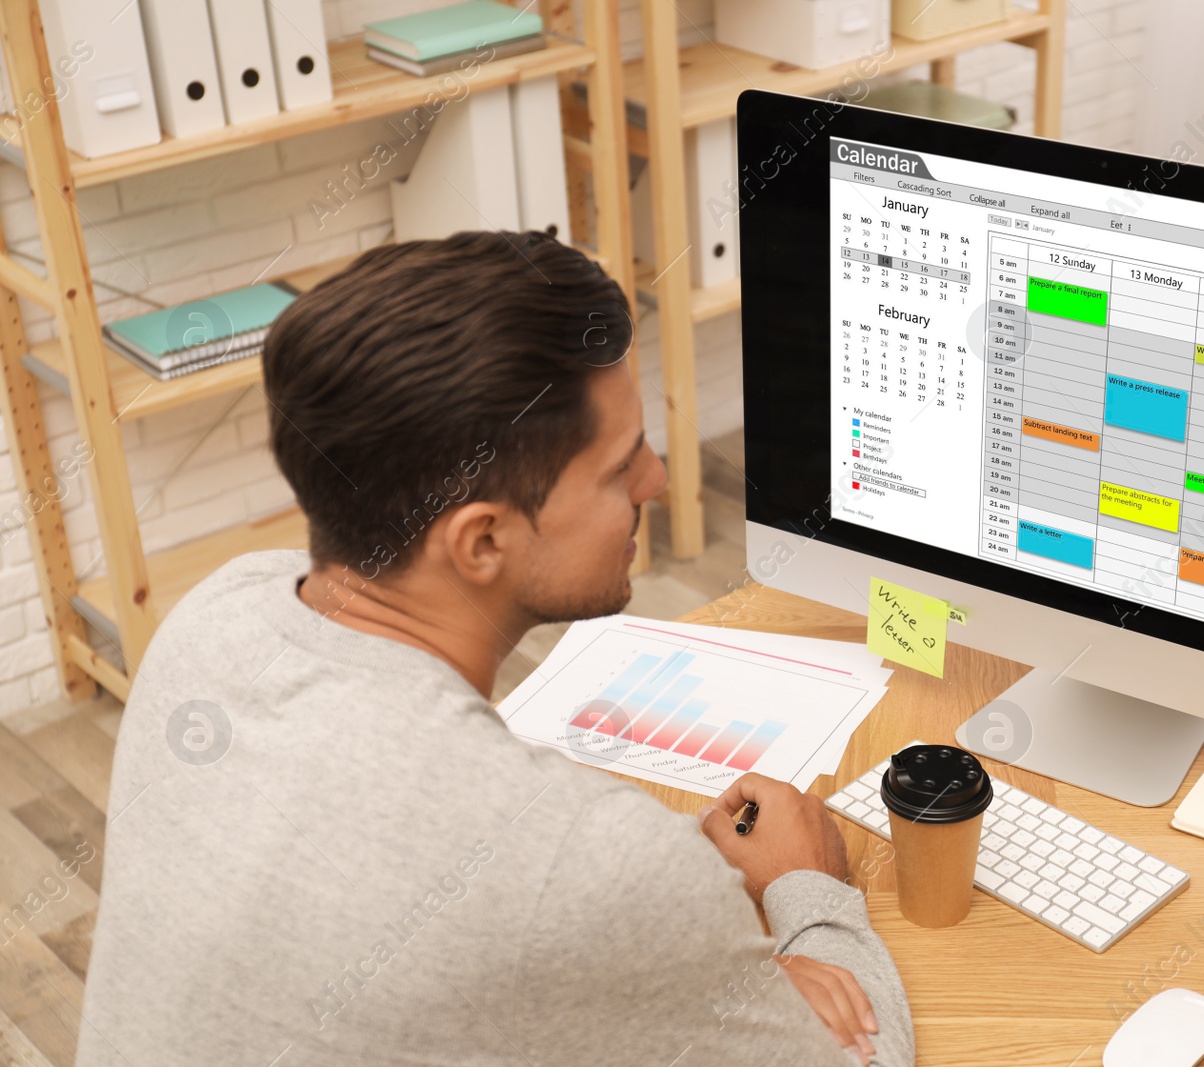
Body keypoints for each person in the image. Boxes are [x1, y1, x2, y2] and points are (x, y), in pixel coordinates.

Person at [75, 232, 912, 1067]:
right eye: (621, 467)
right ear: (479, 542)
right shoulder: (585, 866)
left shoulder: (214, 613)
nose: (656, 479)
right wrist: (811, 900)